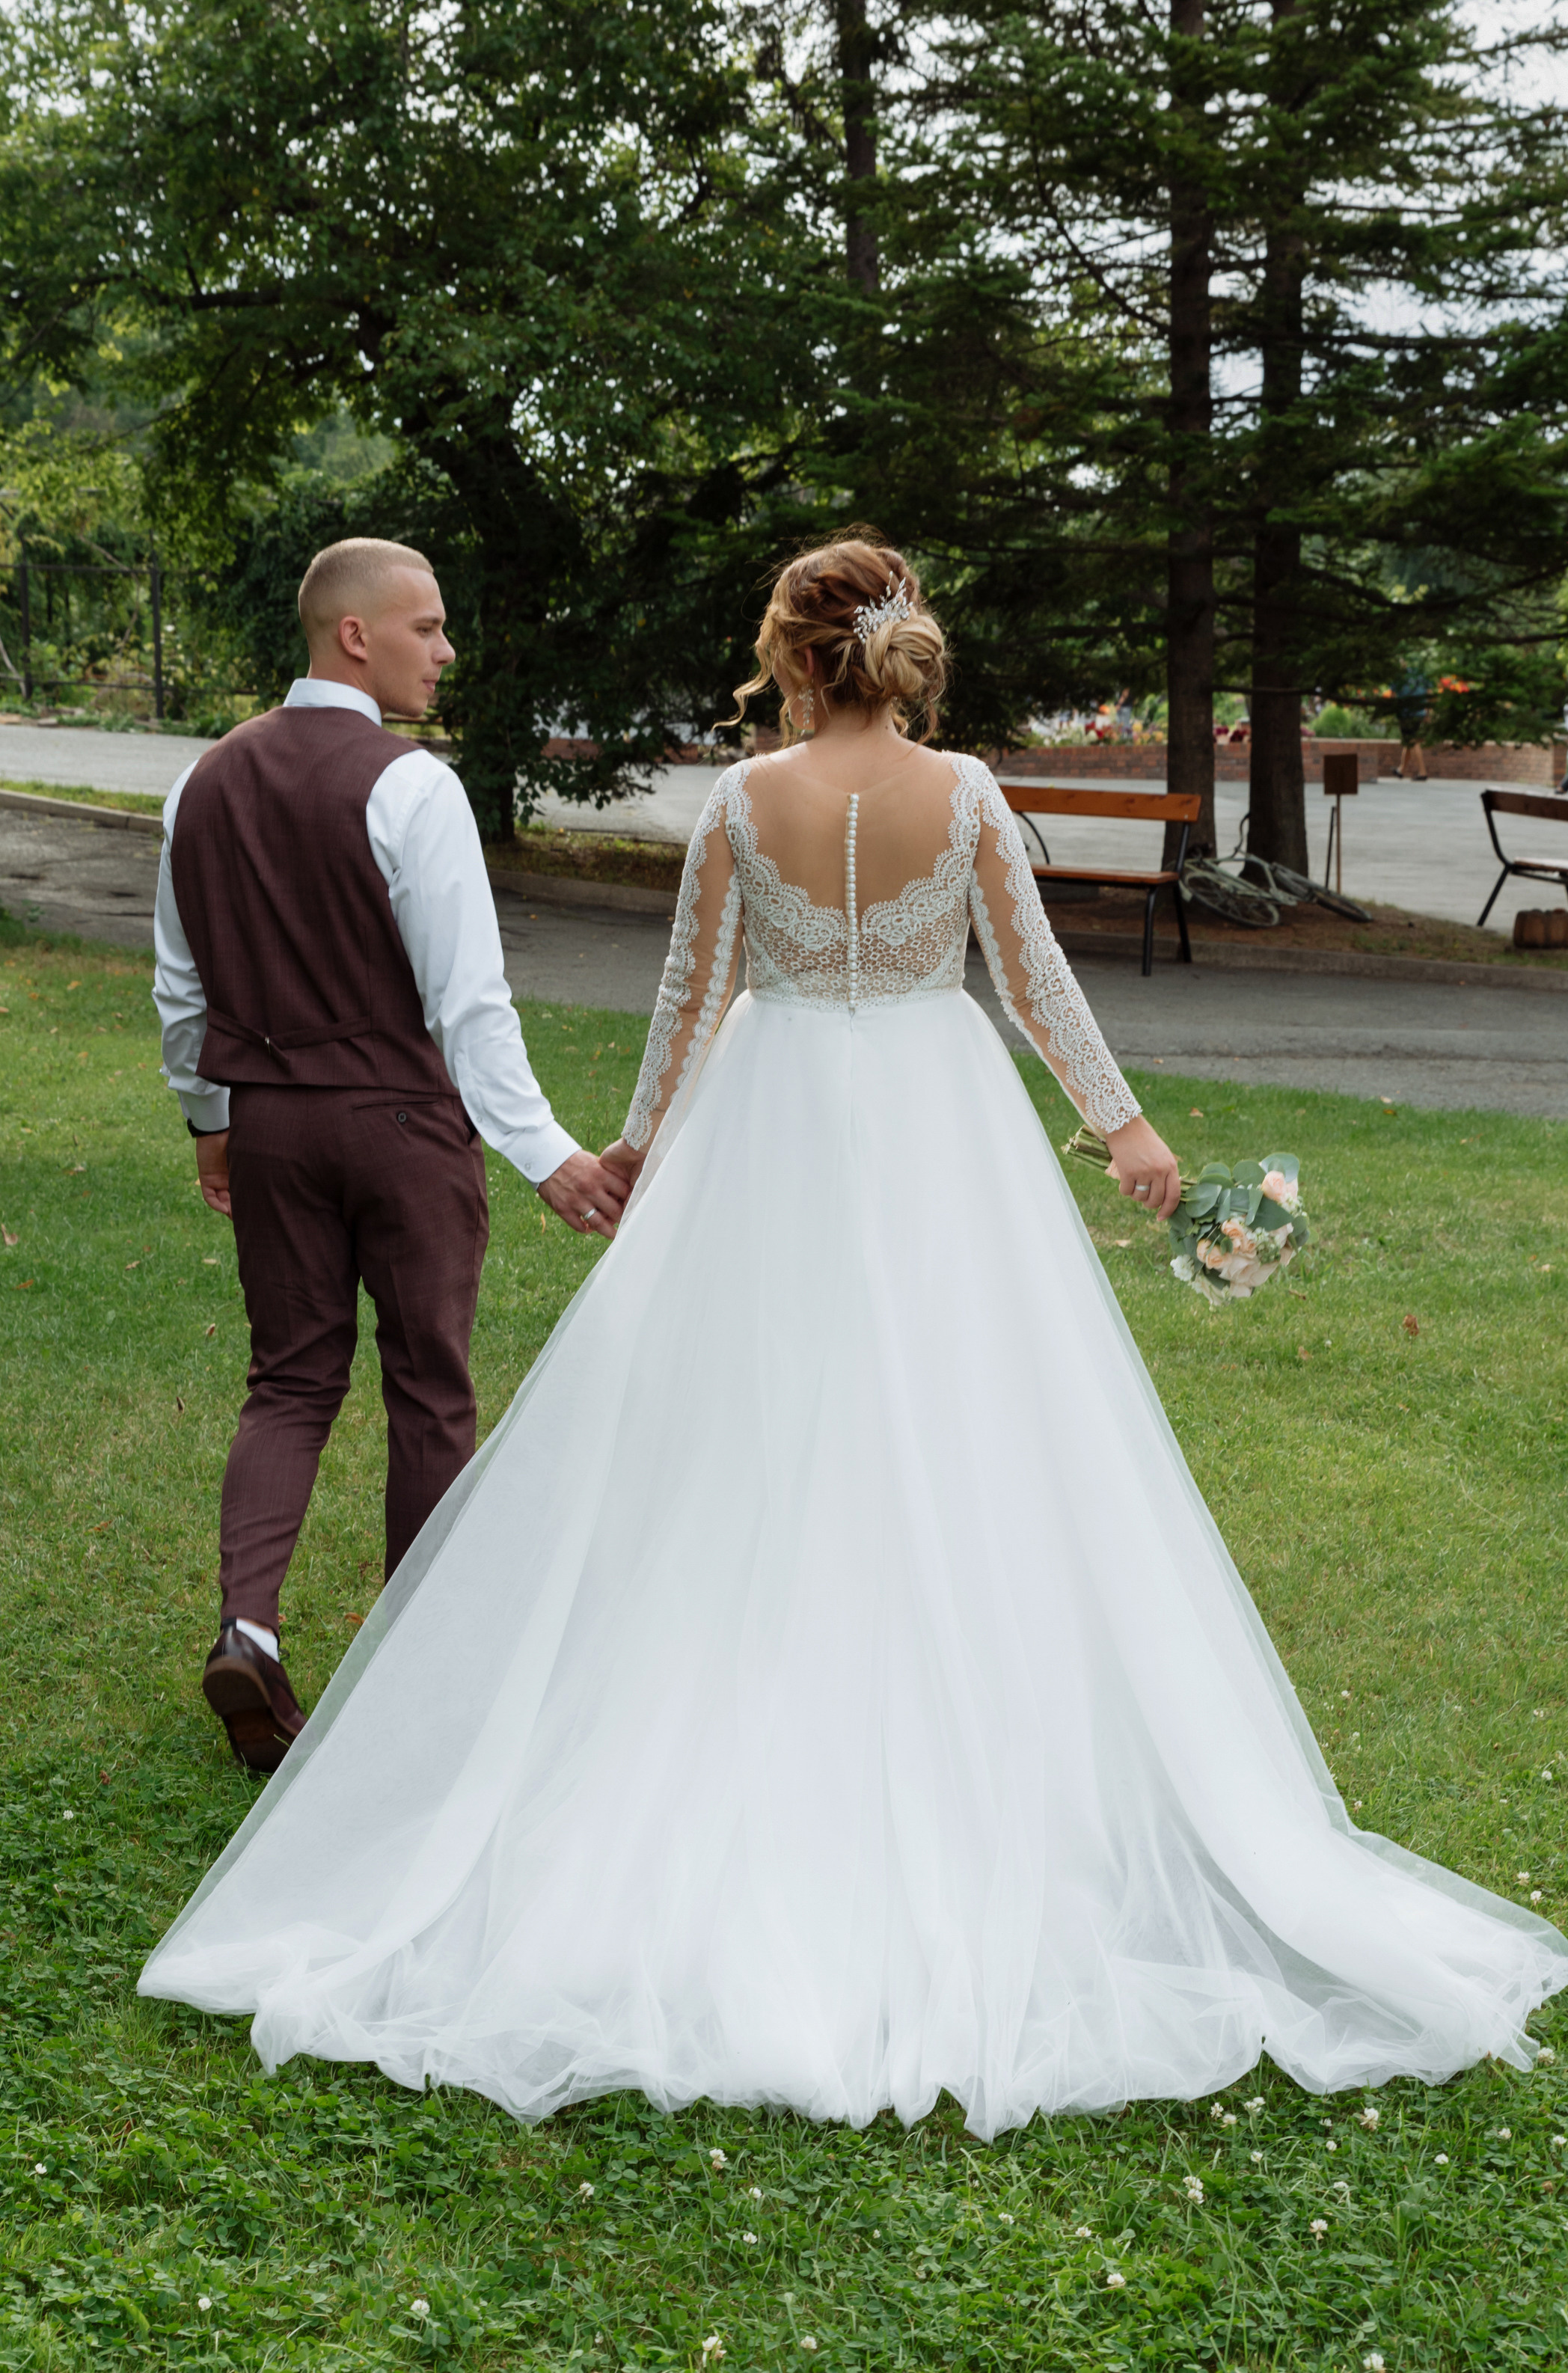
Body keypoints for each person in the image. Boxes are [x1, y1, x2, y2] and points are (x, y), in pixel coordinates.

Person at [141, 539, 1566, 2137]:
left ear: (788, 654)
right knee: (967, 1411)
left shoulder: (742, 803)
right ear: (895, 647)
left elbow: (690, 1002)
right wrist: (1125, 1127)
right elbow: (1034, 982)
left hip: (770, 1121)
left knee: (747, 1423)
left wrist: (636, 1154)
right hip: (940, 1118)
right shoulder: (966, 796)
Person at [152, 536, 628, 1774]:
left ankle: (248, 1628)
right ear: (353, 635)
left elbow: (180, 987)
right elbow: (469, 1004)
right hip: (403, 1129)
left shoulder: (200, 782)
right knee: (427, 1384)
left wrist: (212, 1121)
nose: (446, 651)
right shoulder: (412, 786)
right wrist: (548, 1155)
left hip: (272, 1125)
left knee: (289, 1380)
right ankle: (423, 1668)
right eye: (428, 627)